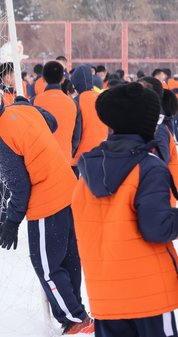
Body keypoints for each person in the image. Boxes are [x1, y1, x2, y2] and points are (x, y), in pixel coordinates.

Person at [0, 80, 93, 335]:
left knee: (47, 267)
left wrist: (11, 222)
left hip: (48, 203)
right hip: (69, 190)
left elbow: (20, 187)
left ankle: (76, 319)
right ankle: (77, 313)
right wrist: (31, 113)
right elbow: (52, 123)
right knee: (68, 261)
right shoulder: (23, 108)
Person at [72, 82, 178, 336]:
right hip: (148, 292)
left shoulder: (88, 169)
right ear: (145, 123)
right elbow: (157, 228)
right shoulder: (149, 166)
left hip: (105, 292)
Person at [32, 61, 81, 166]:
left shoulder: (34, 101)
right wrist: (70, 150)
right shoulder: (73, 103)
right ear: (63, 80)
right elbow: (77, 134)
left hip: (40, 158)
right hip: (64, 157)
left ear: (43, 79)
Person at [71, 65, 108, 169]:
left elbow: (75, 133)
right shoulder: (102, 98)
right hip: (103, 152)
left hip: (82, 157)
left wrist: (72, 152)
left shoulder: (76, 101)